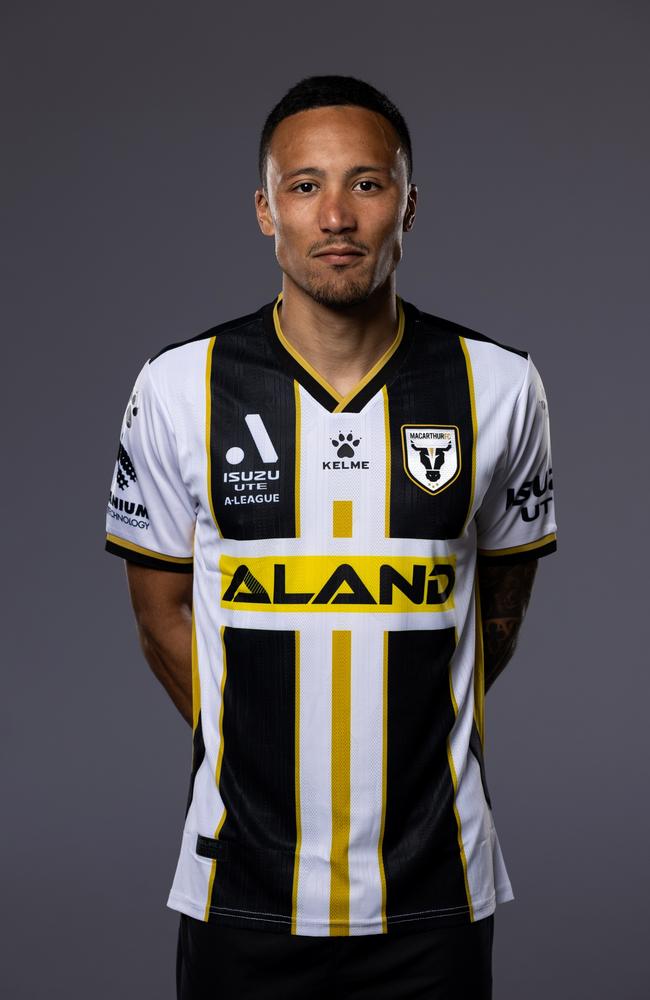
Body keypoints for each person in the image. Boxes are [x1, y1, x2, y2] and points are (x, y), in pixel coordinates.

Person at [105, 75, 557, 999]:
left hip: (437, 892)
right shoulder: (178, 387)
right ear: (266, 211)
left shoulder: (500, 388)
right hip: (241, 890)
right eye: (305, 186)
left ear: (409, 205)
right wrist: (263, 750)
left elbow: (495, 612)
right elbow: (162, 617)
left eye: (368, 183)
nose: (337, 215)